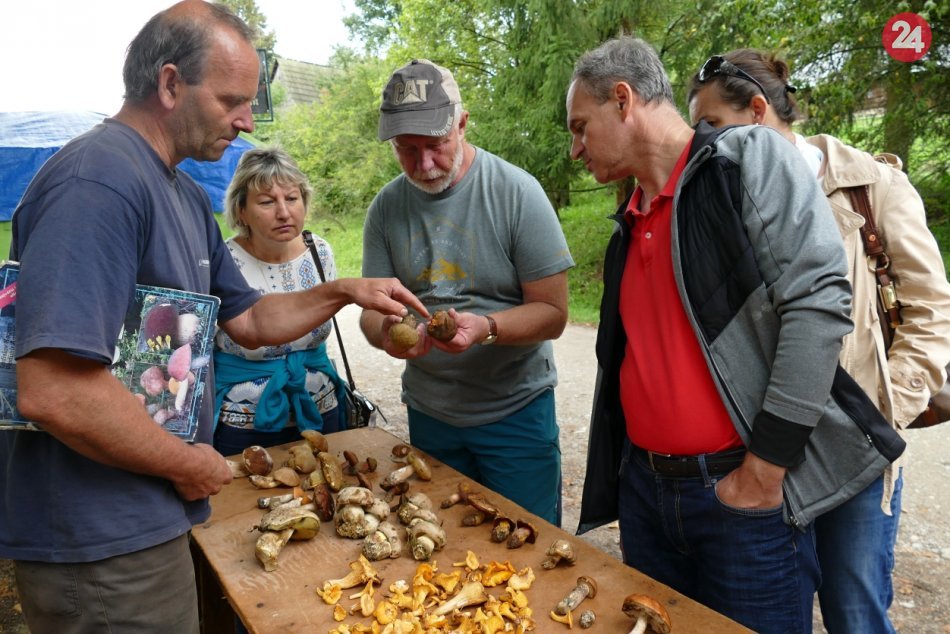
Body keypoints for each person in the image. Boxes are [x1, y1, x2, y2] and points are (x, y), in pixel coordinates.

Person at [0, 3, 426, 632]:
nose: (247, 120)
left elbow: (249, 321)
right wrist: (186, 460)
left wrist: (346, 291)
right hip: (100, 542)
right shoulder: (99, 183)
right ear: (170, 84)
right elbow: (53, 389)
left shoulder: (180, 192)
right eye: (232, 100)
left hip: (147, 516)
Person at [567, 37, 905, 633]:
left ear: (623, 101)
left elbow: (819, 306)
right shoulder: (634, 215)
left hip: (736, 492)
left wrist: (764, 471)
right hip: (648, 493)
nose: (575, 149)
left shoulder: (743, 158)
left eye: (580, 127)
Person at [686, 49, 950, 634]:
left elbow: (934, 308)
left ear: (758, 112)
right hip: (765, 444)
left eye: (712, 125)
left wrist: (885, 410)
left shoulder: (870, 184)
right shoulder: (719, 197)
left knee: (854, 610)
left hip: (853, 444)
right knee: (774, 606)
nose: (700, 141)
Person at [359, 59, 575, 526]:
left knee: (527, 544)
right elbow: (371, 315)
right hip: (431, 414)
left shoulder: (518, 192)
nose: (424, 164)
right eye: (406, 150)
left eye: (435, 145)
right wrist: (390, 336)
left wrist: (488, 329)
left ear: (462, 122)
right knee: (446, 547)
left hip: (515, 414)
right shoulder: (386, 208)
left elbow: (554, 313)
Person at [213, 147, 347, 457]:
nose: (284, 212)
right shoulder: (222, 261)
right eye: (266, 202)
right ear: (241, 210)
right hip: (243, 426)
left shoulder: (319, 251)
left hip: (321, 410)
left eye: (291, 198)